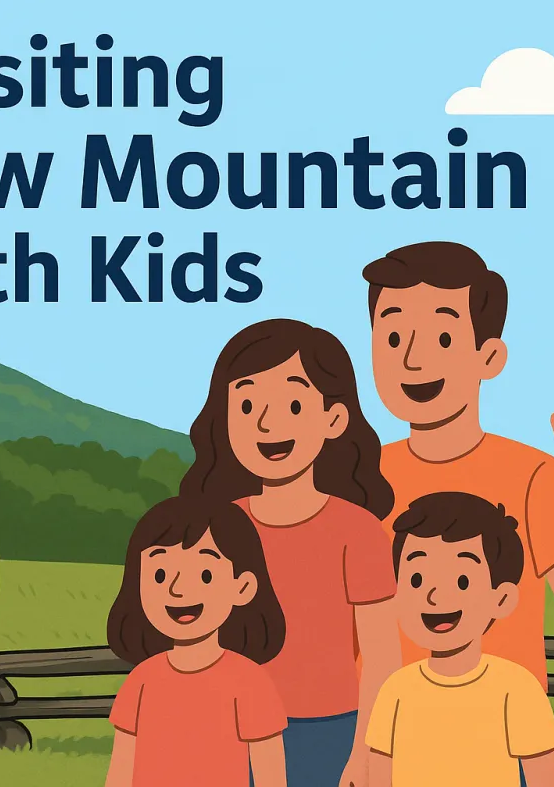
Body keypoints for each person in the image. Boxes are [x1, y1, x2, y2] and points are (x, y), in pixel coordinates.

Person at [362, 241, 554, 688]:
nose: (413, 360)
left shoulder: (534, 477)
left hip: (501, 731)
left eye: (442, 338)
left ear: (489, 356)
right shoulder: (358, 478)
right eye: (393, 337)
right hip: (387, 730)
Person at [180, 319, 400, 787]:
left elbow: (382, 658)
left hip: (331, 729)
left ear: (334, 419)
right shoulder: (216, 530)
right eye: (246, 404)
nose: (266, 422)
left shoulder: (358, 531)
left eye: (293, 404)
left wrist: (366, 752)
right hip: (231, 726)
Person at [366, 491, 554, 787]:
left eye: (462, 581)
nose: (435, 596)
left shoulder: (517, 689)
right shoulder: (395, 691)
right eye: (417, 579)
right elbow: (380, 775)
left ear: (502, 598)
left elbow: (543, 779)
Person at [105, 496, 289, 787]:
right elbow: (120, 772)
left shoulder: (250, 682)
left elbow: (271, 777)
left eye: (204, 575)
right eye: (160, 574)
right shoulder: (141, 681)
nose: (177, 589)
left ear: (242, 587)